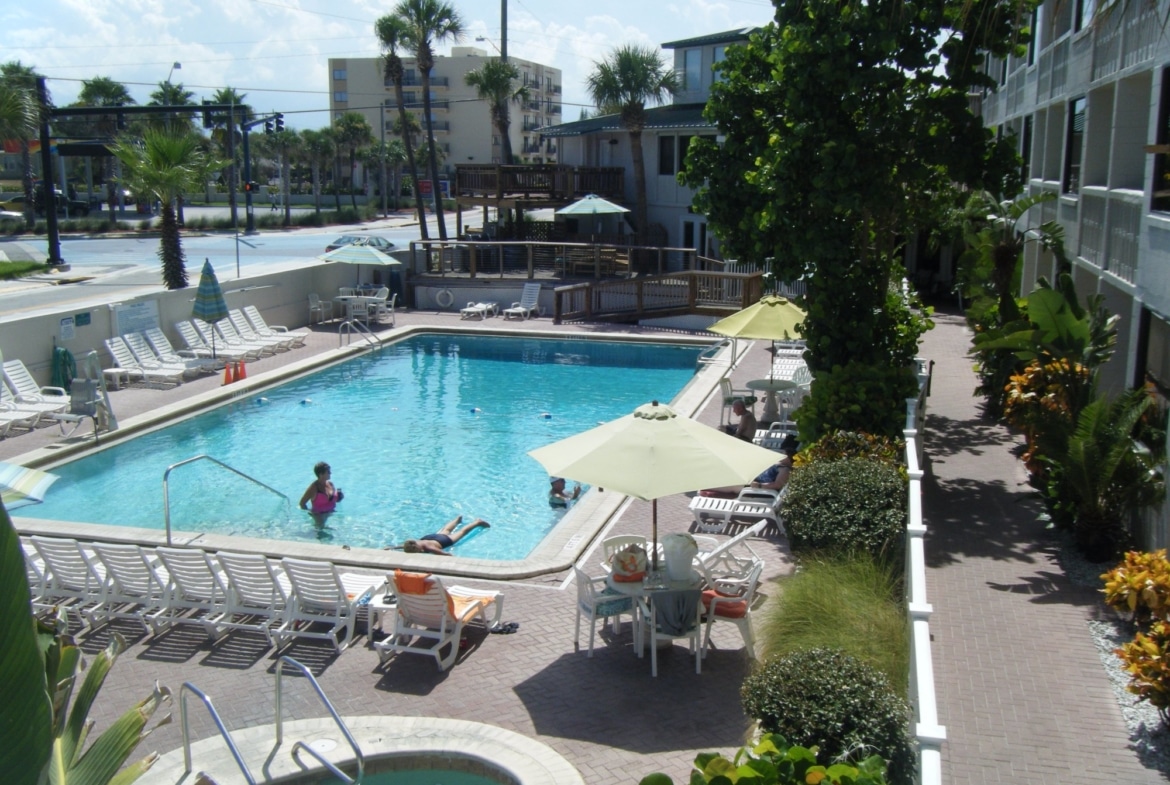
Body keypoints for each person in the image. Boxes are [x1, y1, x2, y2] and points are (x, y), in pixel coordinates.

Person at [401, 515, 491, 556]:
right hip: (431, 537)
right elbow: (402, 546)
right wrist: (391, 548)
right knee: (446, 530)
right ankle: (457, 519)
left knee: (462, 532)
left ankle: (477, 522)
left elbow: (444, 553)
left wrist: (452, 557)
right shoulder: (413, 543)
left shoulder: (428, 547)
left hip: (443, 541)